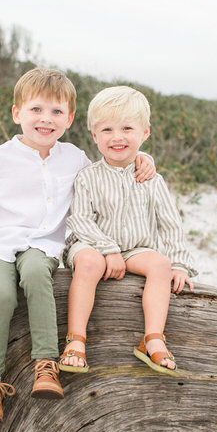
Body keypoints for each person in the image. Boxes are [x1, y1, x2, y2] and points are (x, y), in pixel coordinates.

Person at [0, 69, 156, 423]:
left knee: (39, 278)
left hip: (41, 245)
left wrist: (143, 159)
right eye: (36, 110)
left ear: (70, 119)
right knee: (3, 296)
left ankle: (46, 364)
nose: (46, 119)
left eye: (57, 112)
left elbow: (108, 170)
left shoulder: (72, 158)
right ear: (17, 114)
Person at [59, 85, 197, 376]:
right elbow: (80, 219)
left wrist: (180, 264)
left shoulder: (151, 178)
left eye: (127, 128)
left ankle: (152, 338)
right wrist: (107, 249)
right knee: (89, 262)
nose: (117, 137)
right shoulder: (88, 177)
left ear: (144, 133)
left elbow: (170, 222)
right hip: (91, 244)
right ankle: (76, 339)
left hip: (135, 247)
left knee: (160, 263)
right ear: (94, 135)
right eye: (107, 130)